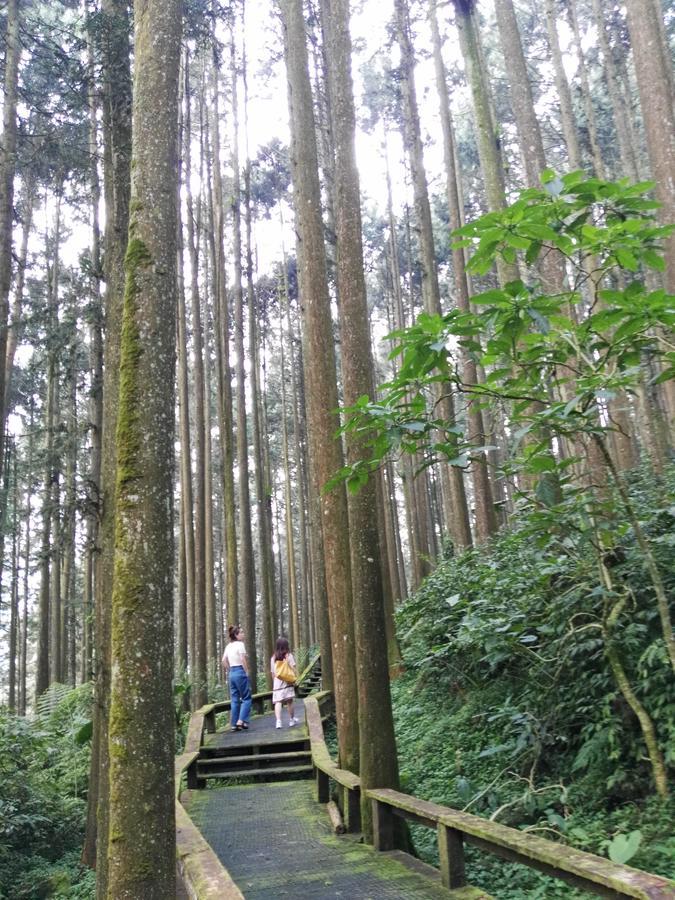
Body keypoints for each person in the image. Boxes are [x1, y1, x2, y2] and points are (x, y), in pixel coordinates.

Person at [222, 625, 252, 732]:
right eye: (241, 632)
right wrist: (246, 671)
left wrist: (230, 670)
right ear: (236, 635)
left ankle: (234, 724)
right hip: (240, 671)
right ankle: (241, 720)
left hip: (232, 673)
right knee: (246, 698)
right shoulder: (240, 644)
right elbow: (243, 658)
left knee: (234, 700)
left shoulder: (228, 646)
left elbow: (223, 661)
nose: (243, 634)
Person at [271, 636, 298, 729]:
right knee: (289, 701)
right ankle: (291, 720)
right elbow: (293, 668)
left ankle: (278, 721)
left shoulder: (273, 657)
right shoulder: (288, 655)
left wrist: (274, 683)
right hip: (288, 682)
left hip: (277, 683)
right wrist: (295, 678)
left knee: (278, 702)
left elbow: (273, 673)